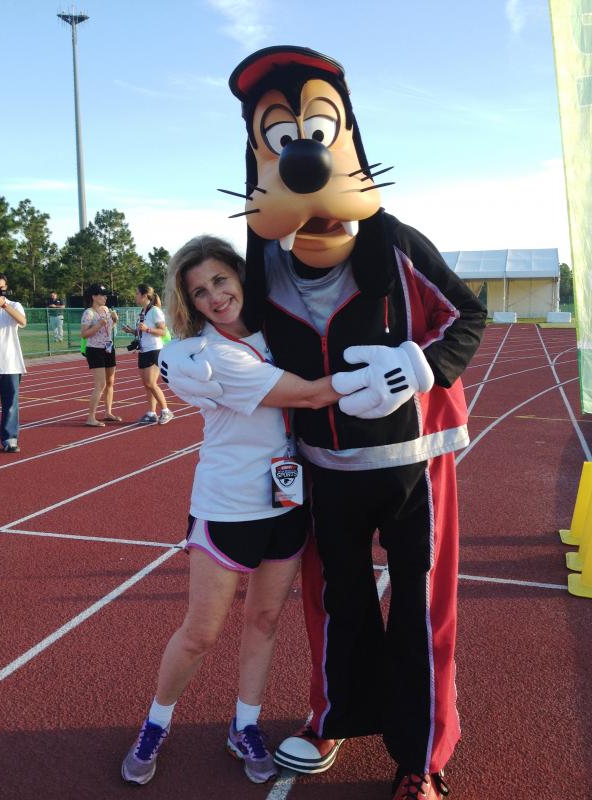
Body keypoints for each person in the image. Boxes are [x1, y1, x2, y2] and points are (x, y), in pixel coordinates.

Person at [165, 46, 488, 799]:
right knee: (335, 607)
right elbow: (225, 329)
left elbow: (466, 316)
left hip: (412, 461)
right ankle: (335, 720)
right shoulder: (264, 263)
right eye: (279, 139)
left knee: (418, 605)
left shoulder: (397, 242)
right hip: (323, 470)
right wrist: (184, 358)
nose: (301, 156)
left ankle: (423, 757)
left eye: (313, 131)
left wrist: (422, 366)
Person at [120, 235, 357, 787]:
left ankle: (244, 724)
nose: (214, 297)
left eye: (220, 281)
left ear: (239, 275)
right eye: (199, 292)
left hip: (286, 501)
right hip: (226, 506)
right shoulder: (209, 355)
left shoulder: (279, 330)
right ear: (190, 303)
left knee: (266, 620)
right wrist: (385, 378)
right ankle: (156, 723)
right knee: (201, 633)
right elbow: (309, 394)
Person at [122, 283, 174, 425]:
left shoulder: (155, 311)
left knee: (151, 383)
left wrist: (147, 329)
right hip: (144, 350)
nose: (135, 296)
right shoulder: (142, 312)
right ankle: (151, 413)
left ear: (145, 295)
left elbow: (162, 331)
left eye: (137, 293)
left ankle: (166, 410)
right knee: (146, 384)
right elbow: (142, 331)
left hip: (154, 350)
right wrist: (132, 331)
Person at [0, 271, 27, 453]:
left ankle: (10, 439)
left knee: (11, 404)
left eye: (1, 289)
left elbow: (22, 321)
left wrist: (5, 305)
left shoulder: (14, 305)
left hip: (10, 364)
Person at [80, 283, 121, 427]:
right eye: (102, 295)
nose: (105, 297)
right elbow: (84, 334)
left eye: (105, 295)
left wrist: (114, 320)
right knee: (100, 384)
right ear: (94, 297)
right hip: (95, 350)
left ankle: (108, 412)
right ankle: (91, 417)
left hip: (109, 348)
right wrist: (97, 325)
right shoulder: (89, 313)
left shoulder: (106, 309)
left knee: (110, 382)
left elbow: (109, 328)